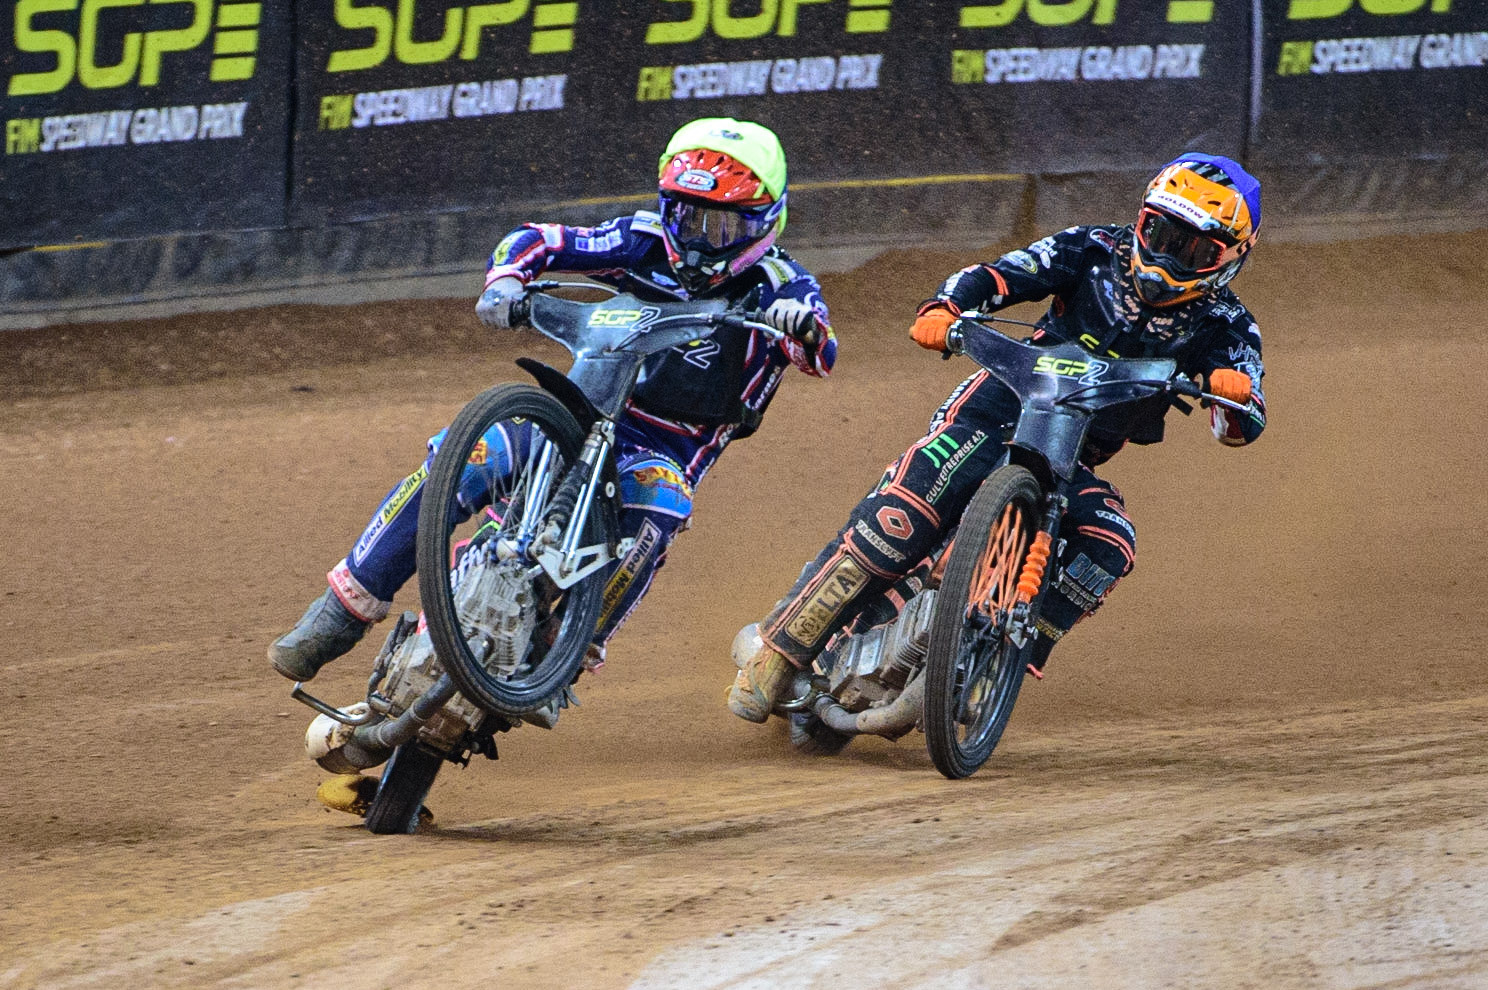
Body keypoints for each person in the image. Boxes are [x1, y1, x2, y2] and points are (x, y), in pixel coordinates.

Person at [269, 117, 835, 685]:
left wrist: (800, 328)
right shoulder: (640, 240)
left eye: (715, 225)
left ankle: (567, 658)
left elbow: (820, 350)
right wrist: (506, 280)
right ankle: (341, 612)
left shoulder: (781, 284)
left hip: (659, 452)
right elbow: (541, 238)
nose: (693, 237)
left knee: (662, 507)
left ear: (764, 222)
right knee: (467, 456)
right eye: (683, 215)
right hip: (577, 415)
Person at [727, 153, 1265, 722]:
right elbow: (1001, 274)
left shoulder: (1227, 326)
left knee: (1110, 542)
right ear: (1141, 220)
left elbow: (1243, 420)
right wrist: (946, 307)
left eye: (1193, 249)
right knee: (910, 511)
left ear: (1230, 258)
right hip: (989, 415)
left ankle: (1000, 660)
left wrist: (1232, 394)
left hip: (1066, 463)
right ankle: (780, 651)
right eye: (1159, 234)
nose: (1165, 258)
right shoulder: (1090, 250)